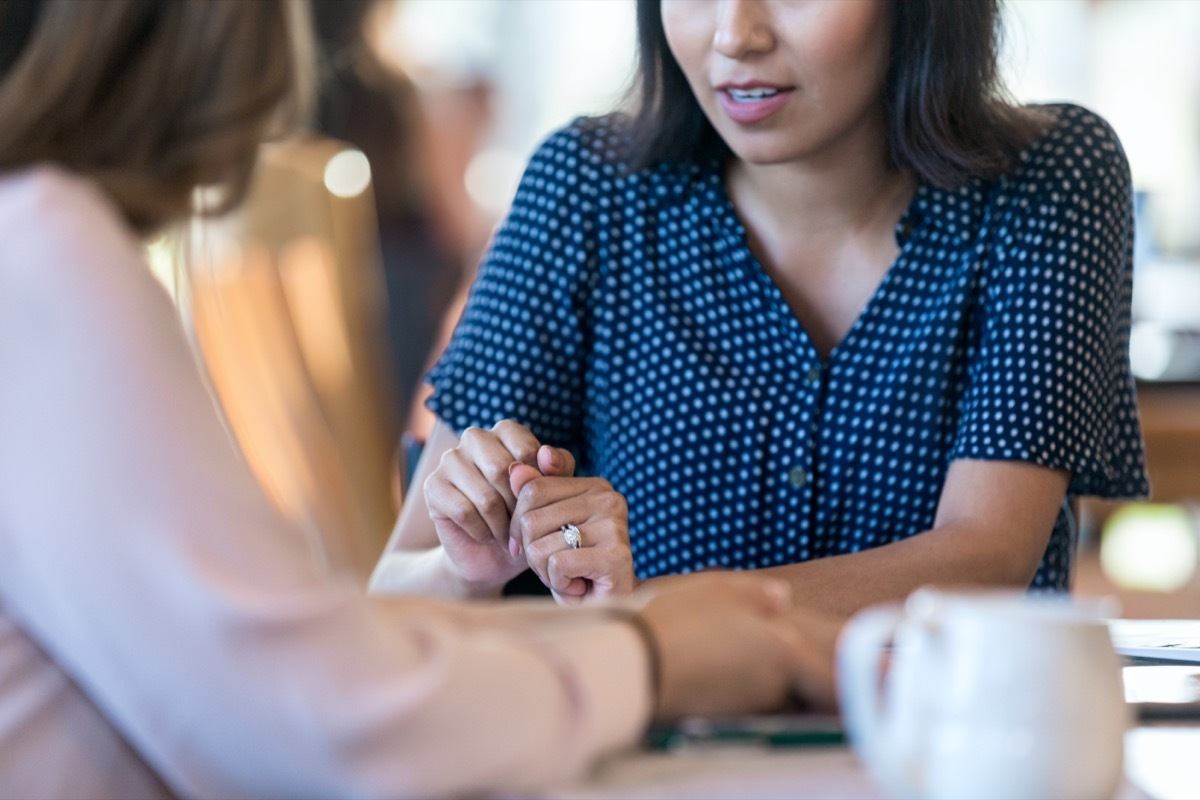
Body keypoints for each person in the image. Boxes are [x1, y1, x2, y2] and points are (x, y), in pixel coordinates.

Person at [0, 1, 840, 797]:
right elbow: (311, 723)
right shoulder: (41, 256)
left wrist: (471, 590)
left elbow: (279, 672)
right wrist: (649, 654)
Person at [371, 0, 1149, 616]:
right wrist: (468, 571)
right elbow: (398, 587)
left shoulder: (1052, 179)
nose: (735, 34)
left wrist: (657, 615)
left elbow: (984, 557)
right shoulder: (585, 191)